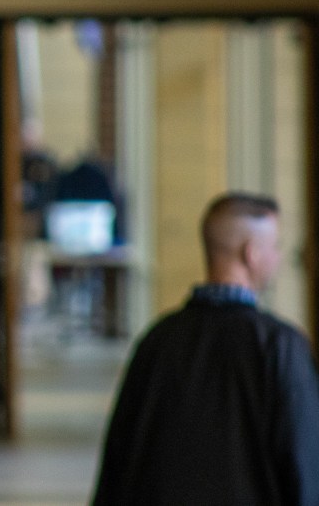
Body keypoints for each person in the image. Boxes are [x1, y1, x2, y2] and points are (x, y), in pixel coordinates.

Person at [92, 191, 319, 506]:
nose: (279, 257)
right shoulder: (279, 347)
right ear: (251, 253)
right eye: (275, 247)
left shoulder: (157, 341)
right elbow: (303, 464)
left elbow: (118, 461)